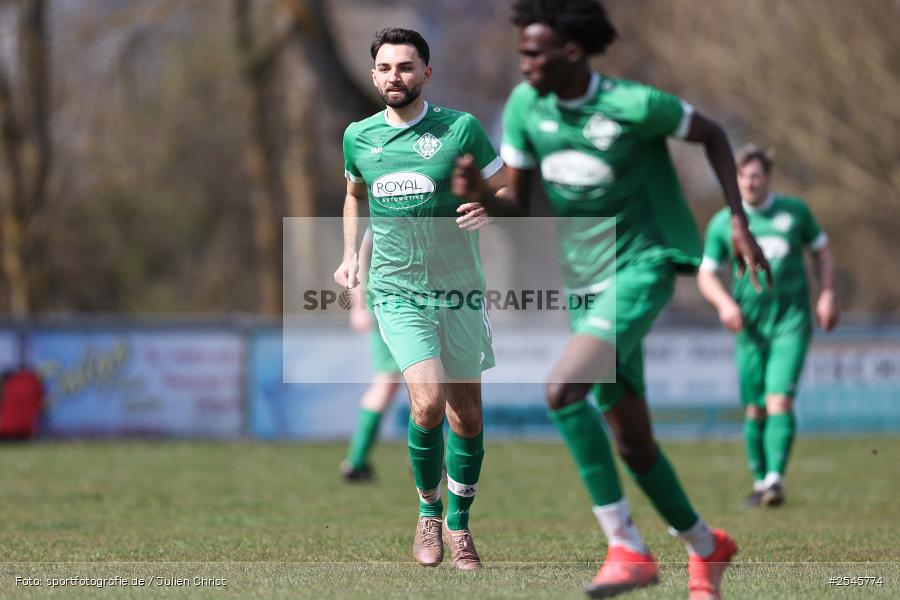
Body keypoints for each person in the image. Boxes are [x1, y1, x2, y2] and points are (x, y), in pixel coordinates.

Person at [453, 1, 771, 597]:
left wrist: (739, 220)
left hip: (646, 264)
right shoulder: (525, 108)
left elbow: (714, 134)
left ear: (570, 53)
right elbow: (517, 207)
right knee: (631, 437)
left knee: (562, 390)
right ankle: (708, 547)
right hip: (585, 282)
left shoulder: (634, 105)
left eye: (532, 53)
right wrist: (479, 196)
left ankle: (626, 546)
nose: (522, 64)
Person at [334, 27, 503, 571]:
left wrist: (491, 207)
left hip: (459, 291)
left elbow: (505, 186)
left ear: (425, 73)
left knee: (467, 419)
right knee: (426, 403)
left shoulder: (461, 129)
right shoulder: (359, 137)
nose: (393, 77)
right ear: (374, 74)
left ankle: (460, 525)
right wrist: (349, 258)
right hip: (397, 290)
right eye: (384, 68)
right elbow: (353, 195)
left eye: (405, 67)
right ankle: (430, 514)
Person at [697, 144, 838, 508]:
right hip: (750, 328)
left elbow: (821, 251)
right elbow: (706, 275)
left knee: (780, 399)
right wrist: (725, 303)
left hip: (790, 322)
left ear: (767, 178)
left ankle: (775, 478)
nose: (749, 183)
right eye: (742, 176)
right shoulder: (723, 223)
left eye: (755, 176)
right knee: (755, 408)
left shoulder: (794, 213)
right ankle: (760, 481)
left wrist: (827, 293)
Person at [339, 228, 402, 482]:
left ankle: (357, 461)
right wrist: (359, 306)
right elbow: (360, 255)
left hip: (399, 304)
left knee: (399, 383)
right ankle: (356, 460)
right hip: (391, 307)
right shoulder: (388, 203)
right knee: (392, 382)